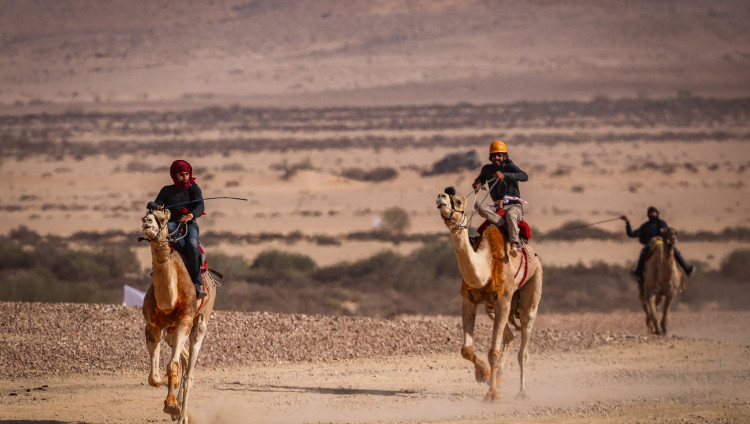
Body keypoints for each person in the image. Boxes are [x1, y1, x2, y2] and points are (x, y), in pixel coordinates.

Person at [153, 159, 207, 299]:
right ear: (174, 176)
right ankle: (158, 272)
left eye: (187, 174)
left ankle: (197, 283)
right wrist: (157, 206)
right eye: (181, 175)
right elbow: (155, 203)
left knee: (193, 245)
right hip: (171, 223)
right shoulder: (167, 190)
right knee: (163, 242)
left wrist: (190, 216)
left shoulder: (194, 188)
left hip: (190, 223)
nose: (185, 178)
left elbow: (200, 206)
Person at [471, 140, 528, 256]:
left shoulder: (510, 166)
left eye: (499, 155)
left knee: (511, 214)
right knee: (477, 205)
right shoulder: (487, 169)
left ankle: (514, 244)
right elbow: (481, 179)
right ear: (490, 157)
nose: (496, 157)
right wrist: (478, 183)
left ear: (505, 156)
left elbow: (524, 176)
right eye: (494, 155)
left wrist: (505, 175)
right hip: (496, 208)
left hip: (514, 206)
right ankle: (503, 225)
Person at [621, 206, 695, 286]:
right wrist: (627, 222)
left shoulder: (661, 223)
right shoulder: (645, 226)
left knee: (675, 251)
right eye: (651, 213)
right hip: (651, 245)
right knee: (643, 252)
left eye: (654, 213)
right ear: (648, 215)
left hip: (662, 244)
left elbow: (666, 232)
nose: (653, 214)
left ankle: (687, 269)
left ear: (657, 214)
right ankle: (638, 274)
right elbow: (631, 234)